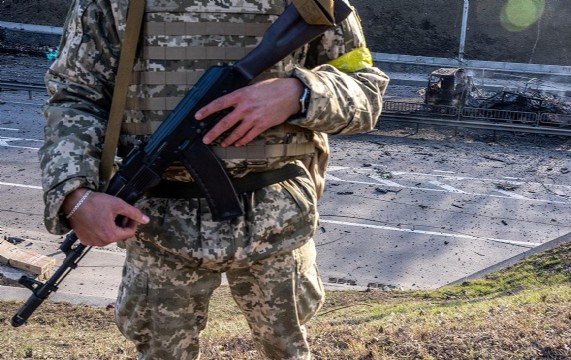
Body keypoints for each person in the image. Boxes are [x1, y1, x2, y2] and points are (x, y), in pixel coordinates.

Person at [39, 0, 389, 358]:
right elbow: (74, 94)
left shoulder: (310, 2)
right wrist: (74, 194)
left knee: (289, 352)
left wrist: (299, 94)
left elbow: (366, 90)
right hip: (158, 222)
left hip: (279, 220)